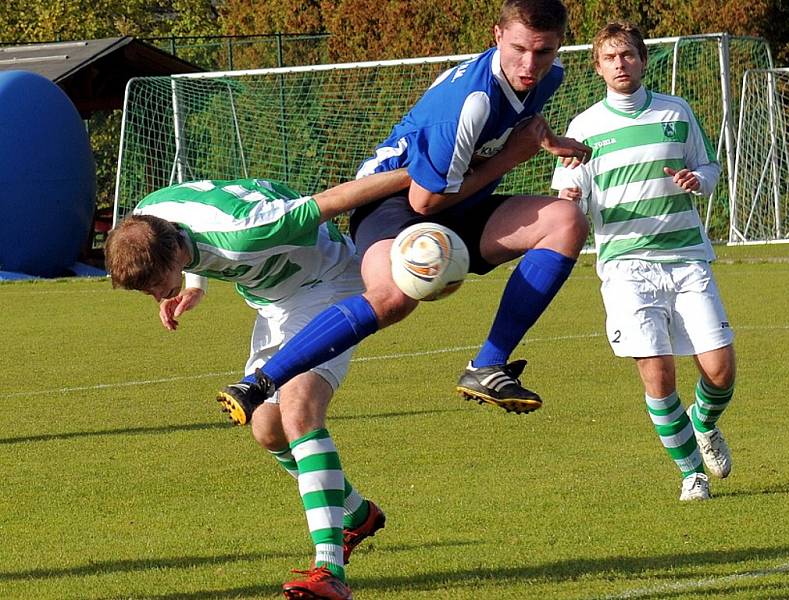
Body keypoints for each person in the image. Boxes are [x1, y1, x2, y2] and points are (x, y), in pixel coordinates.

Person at [215, 0, 592, 427]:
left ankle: (488, 366)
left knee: (566, 220)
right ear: (497, 35)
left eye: (543, 52)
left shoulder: (548, 76)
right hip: (391, 202)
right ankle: (260, 384)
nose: (530, 64)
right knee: (394, 297)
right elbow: (423, 203)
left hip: (454, 196)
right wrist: (511, 158)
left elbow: (520, 116)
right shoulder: (470, 102)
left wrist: (545, 138)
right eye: (519, 49)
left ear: (559, 45)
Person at [105, 170, 410, 600]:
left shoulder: (248, 232)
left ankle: (329, 569)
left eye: (158, 285)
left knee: (299, 411)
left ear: (173, 250)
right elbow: (193, 227)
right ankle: (357, 513)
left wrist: (421, 172)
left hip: (328, 284)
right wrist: (193, 284)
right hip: (275, 303)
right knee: (268, 429)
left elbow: (335, 198)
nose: (158, 297)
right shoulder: (148, 223)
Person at [551, 22, 735, 501]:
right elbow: (569, 190)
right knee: (659, 375)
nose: (620, 64)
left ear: (642, 60)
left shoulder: (677, 111)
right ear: (598, 67)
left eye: (628, 55)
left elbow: (710, 167)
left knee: (720, 370)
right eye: (610, 58)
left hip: (686, 257)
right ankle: (691, 473)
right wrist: (571, 194)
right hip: (625, 266)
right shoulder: (584, 127)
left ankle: (704, 424)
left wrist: (699, 179)